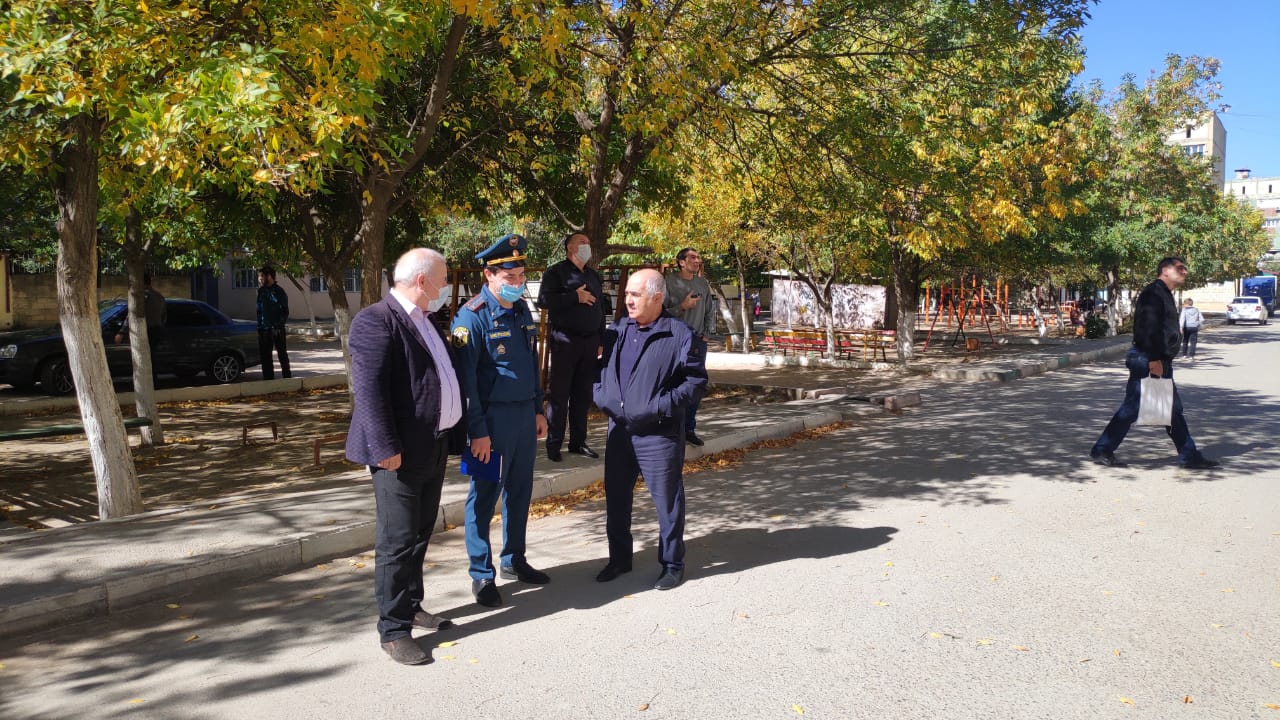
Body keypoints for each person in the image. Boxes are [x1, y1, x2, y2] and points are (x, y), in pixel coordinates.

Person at [345, 248, 465, 666]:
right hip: (397, 454)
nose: (446, 286)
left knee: (419, 533)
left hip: (433, 444)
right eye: (443, 279)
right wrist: (384, 448)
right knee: (396, 541)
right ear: (422, 281)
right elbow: (369, 392)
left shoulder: (426, 320)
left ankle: (412, 605)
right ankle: (394, 630)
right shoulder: (375, 321)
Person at [451, 234, 551, 607]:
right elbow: (466, 382)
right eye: (510, 278)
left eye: (521, 276)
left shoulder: (521, 310)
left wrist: (539, 408)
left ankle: (514, 558)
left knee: (520, 491)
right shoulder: (471, 317)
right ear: (489, 275)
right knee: (483, 497)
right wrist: (477, 431)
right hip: (490, 422)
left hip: (524, 416)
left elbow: (531, 365)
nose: (517, 283)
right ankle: (481, 573)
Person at [594, 269, 707, 591]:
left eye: (635, 294)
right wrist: (601, 395)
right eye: (627, 294)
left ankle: (672, 563)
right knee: (617, 498)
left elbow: (695, 383)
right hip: (619, 431)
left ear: (657, 298)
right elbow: (599, 369)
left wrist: (658, 406)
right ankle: (619, 559)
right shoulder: (618, 330)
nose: (628, 300)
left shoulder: (679, 334)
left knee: (667, 501)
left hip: (658, 434)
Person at [1090, 257, 1218, 470]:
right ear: (1165, 270)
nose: (1185, 272)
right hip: (1148, 358)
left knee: (1172, 410)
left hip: (1157, 359)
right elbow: (1146, 329)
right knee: (1133, 407)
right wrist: (1153, 360)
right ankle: (1102, 449)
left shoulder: (1164, 293)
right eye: (1180, 268)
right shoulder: (1153, 293)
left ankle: (1189, 456)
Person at [537, 231, 608, 462]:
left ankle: (578, 442)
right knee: (560, 394)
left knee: (582, 395)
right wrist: (573, 297)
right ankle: (554, 443)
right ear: (570, 247)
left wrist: (601, 340)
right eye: (582, 242)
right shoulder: (556, 272)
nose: (587, 245)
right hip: (565, 341)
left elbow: (600, 309)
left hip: (590, 342)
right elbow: (544, 301)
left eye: (589, 242)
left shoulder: (593, 275)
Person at [663, 248, 714, 446]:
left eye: (698, 257)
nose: (697, 260)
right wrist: (682, 307)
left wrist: (707, 334)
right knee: (673, 385)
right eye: (692, 257)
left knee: (695, 386)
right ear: (681, 262)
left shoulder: (702, 283)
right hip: (674, 342)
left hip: (697, 343)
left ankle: (689, 429)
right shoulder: (668, 282)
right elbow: (660, 313)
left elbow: (710, 310)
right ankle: (671, 429)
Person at [256, 266, 291, 379]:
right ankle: (268, 381)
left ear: (269, 276)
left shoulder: (279, 291)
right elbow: (259, 310)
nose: (259, 279)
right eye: (259, 276)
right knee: (265, 357)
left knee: (282, 355)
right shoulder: (261, 291)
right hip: (263, 329)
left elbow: (285, 311)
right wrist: (260, 326)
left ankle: (287, 379)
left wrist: (278, 326)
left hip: (277, 329)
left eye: (261, 276)